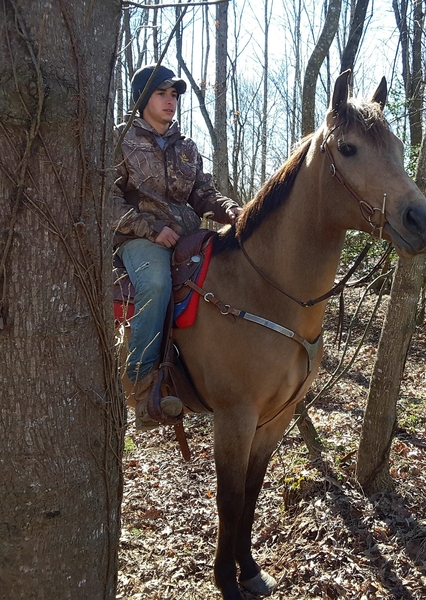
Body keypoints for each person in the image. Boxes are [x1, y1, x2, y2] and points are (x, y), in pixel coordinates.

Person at [113, 64, 241, 431]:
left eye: (174, 95)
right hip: (139, 239)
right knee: (155, 284)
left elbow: (202, 192)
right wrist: (151, 229)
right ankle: (141, 385)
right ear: (142, 99)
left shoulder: (187, 146)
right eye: (161, 94)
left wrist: (228, 208)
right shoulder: (120, 140)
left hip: (187, 235)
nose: (170, 101)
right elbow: (105, 199)